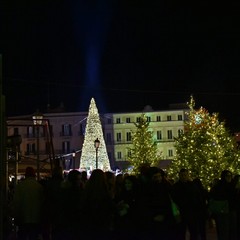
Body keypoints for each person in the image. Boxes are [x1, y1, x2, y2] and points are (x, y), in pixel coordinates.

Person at [12, 167, 45, 240]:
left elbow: (16, 203)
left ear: (25, 175)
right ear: (34, 175)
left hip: (23, 218)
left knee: (22, 236)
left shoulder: (20, 186)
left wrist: (16, 216)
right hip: (36, 219)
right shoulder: (39, 187)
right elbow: (42, 202)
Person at [172, 168, 203, 240]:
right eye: (182, 175)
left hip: (192, 212)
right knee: (181, 232)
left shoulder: (192, 185)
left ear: (187, 175)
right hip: (182, 212)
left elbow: (197, 197)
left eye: (185, 175)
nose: (183, 177)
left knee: (193, 232)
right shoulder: (176, 186)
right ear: (179, 176)